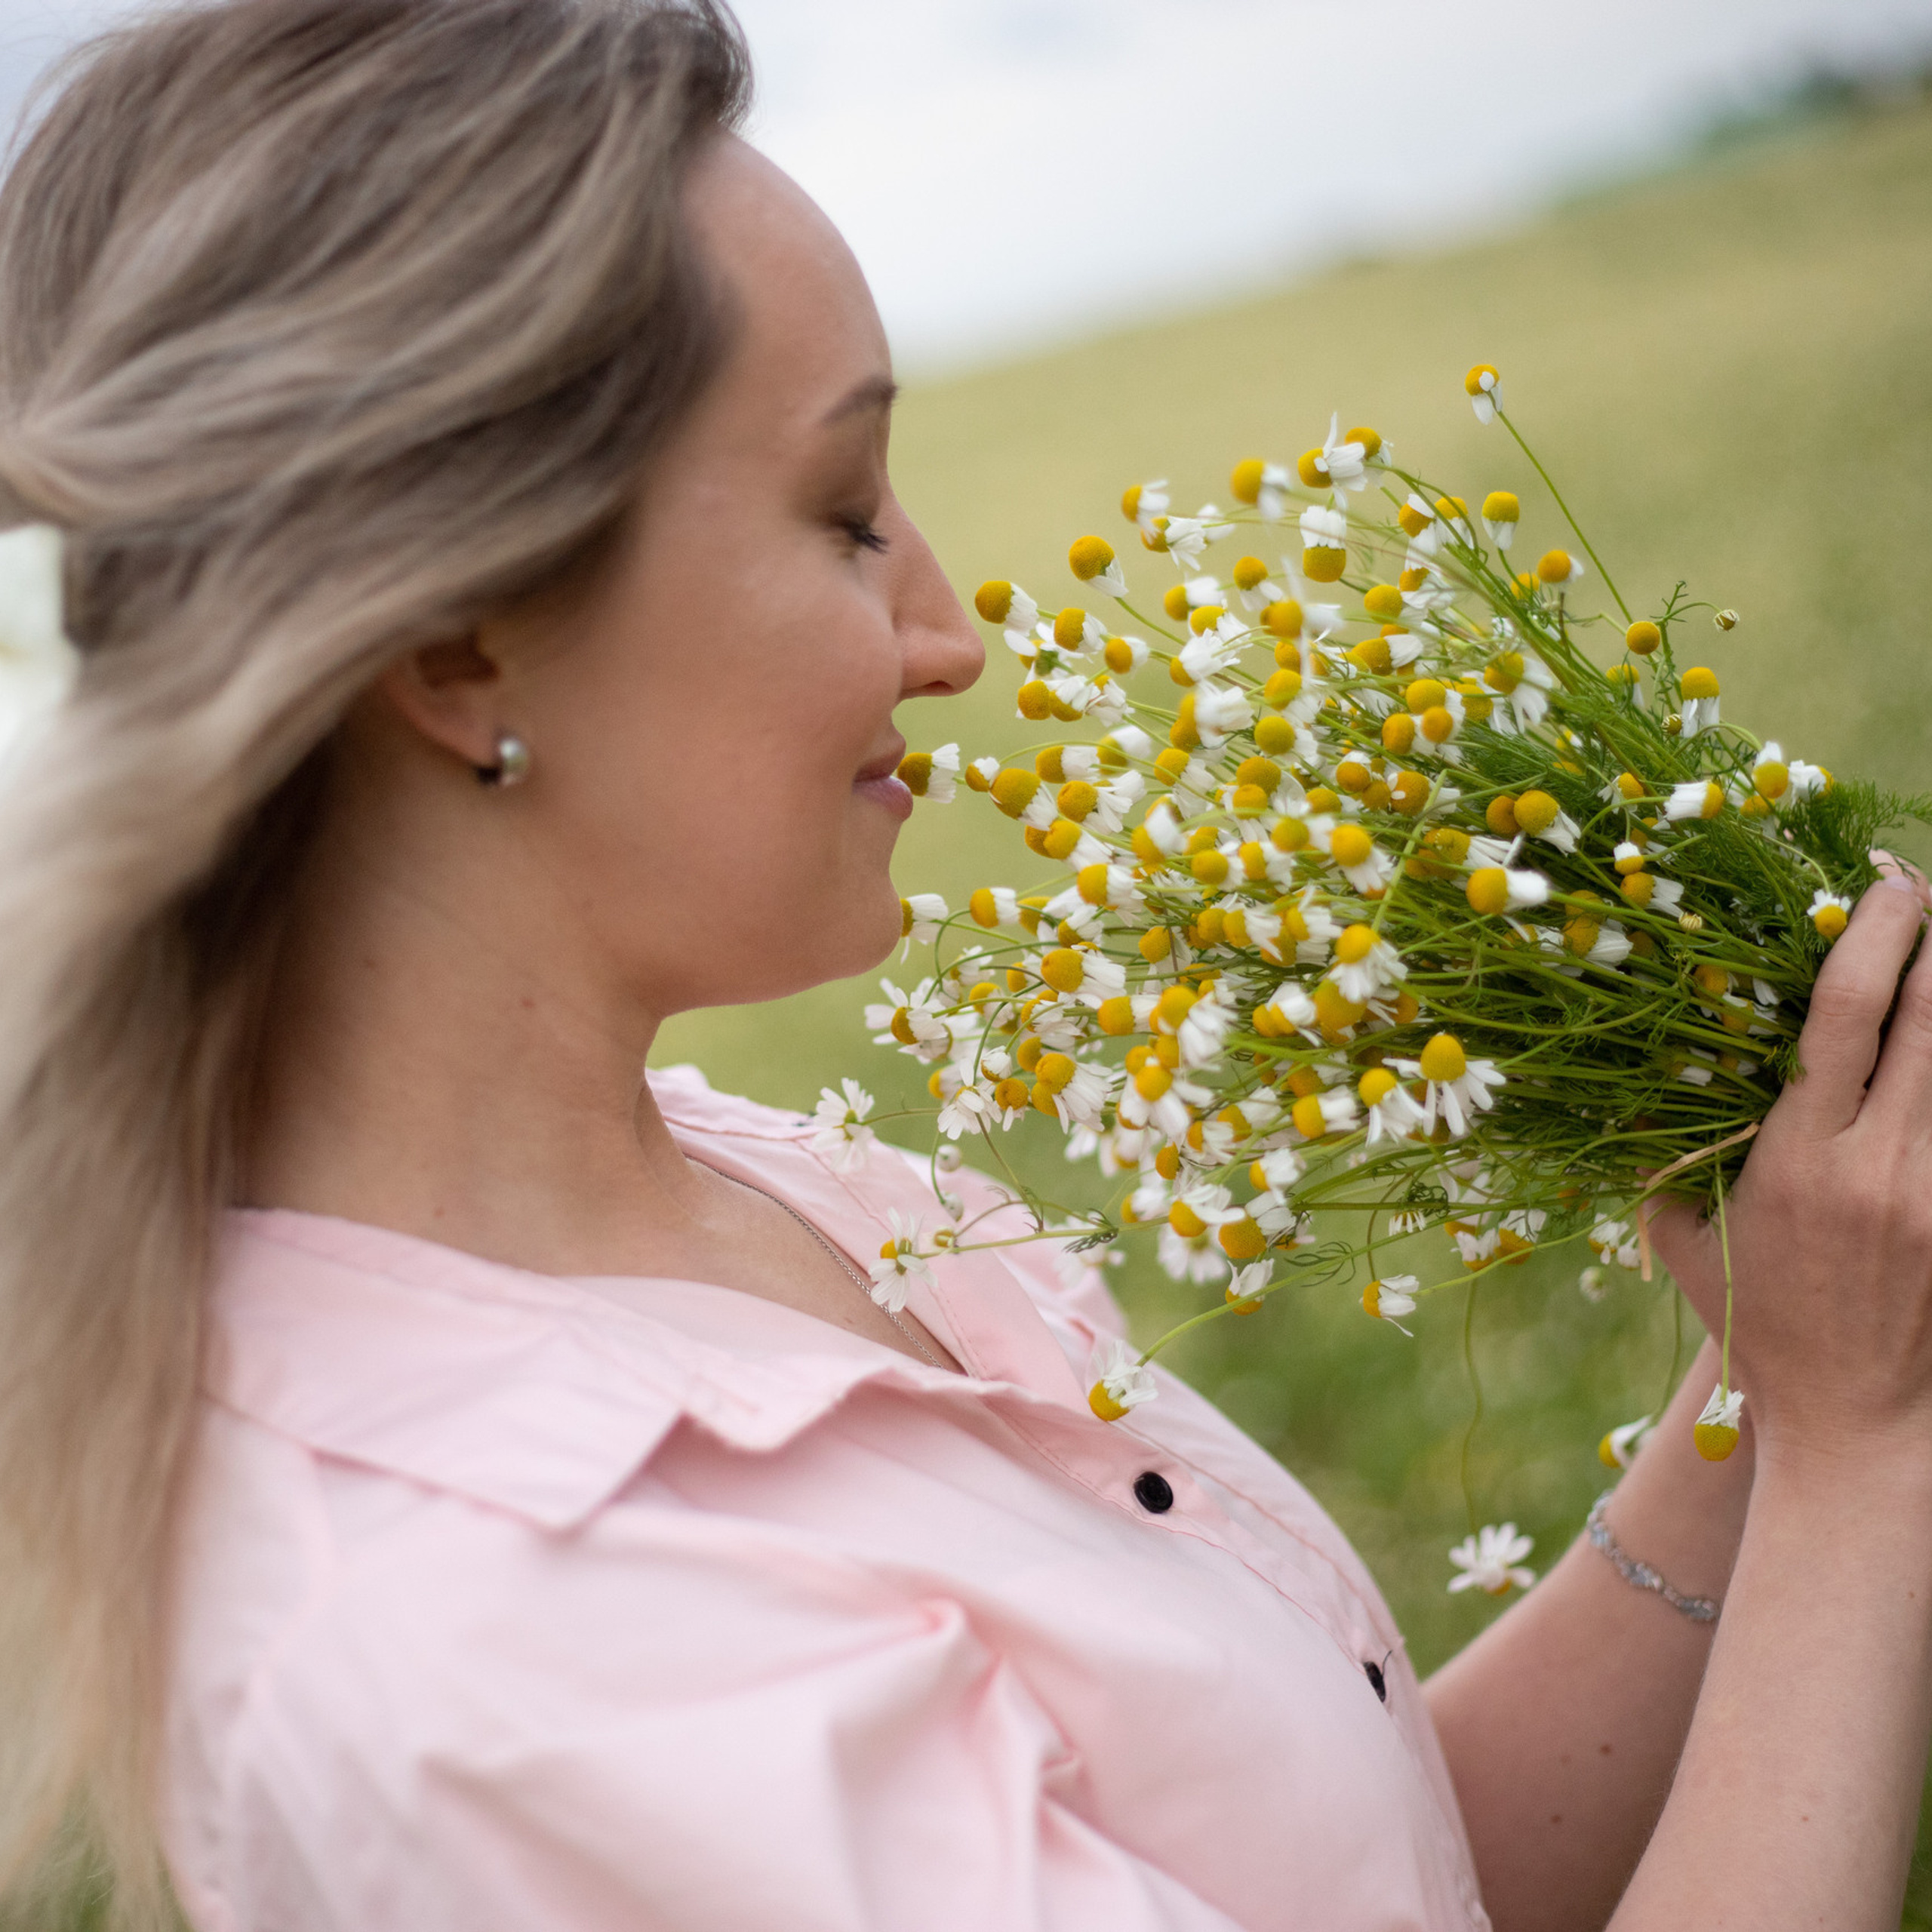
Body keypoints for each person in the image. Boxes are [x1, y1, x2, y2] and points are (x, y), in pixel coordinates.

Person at [0, 2, 1927, 1927]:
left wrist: (1763, 1390)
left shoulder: (756, 1190)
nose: (949, 633)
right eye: (842, 514)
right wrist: (1857, 1460)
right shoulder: (507, 1647)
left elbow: (1350, 1874)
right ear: (456, 646)